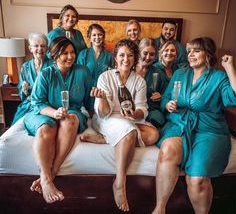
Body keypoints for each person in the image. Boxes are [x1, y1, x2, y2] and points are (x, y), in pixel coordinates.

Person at [152, 37, 236, 214]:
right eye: (189, 51)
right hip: (180, 124)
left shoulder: (218, 77)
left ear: (208, 54)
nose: (190, 55)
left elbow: (234, 98)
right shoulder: (180, 74)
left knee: (196, 179)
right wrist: (167, 105)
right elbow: (166, 98)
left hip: (208, 130)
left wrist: (230, 69)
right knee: (167, 149)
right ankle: (160, 209)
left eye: (196, 51)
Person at [82, 39, 159, 212]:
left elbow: (142, 108)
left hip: (130, 119)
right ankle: (120, 182)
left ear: (135, 58)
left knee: (153, 135)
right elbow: (102, 113)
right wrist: (101, 98)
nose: (126, 59)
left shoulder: (139, 81)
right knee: (130, 132)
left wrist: (134, 114)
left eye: (130, 55)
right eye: (122, 55)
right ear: (115, 58)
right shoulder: (105, 77)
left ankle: (104, 140)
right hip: (106, 119)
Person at [23, 36, 93, 204]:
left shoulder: (82, 71)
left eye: (72, 53)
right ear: (54, 55)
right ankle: (46, 179)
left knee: (71, 120)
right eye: (64, 53)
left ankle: (50, 175)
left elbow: (90, 103)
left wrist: (97, 120)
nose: (70, 56)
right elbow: (37, 102)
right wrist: (54, 113)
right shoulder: (47, 73)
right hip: (44, 111)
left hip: (71, 111)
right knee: (46, 128)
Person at [12, 33, 53, 125]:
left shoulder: (53, 66)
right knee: (16, 123)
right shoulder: (25, 67)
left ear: (46, 48)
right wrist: (24, 89)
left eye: (43, 46)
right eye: (36, 46)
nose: (40, 49)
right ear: (30, 48)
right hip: (29, 104)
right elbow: (22, 93)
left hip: (47, 104)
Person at [136, 38, 166, 128]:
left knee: (158, 119)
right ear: (139, 52)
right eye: (145, 53)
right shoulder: (129, 69)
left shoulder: (158, 73)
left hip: (150, 110)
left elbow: (166, 93)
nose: (148, 57)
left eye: (152, 54)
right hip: (131, 108)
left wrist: (161, 96)